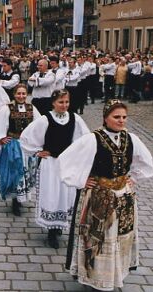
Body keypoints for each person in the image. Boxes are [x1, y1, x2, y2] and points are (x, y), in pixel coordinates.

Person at [60, 99, 153, 291]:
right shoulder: (93, 138)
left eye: (124, 117)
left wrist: (133, 178)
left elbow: (145, 161)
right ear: (106, 118)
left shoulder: (131, 138)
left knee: (120, 236)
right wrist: (81, 180)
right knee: (99, 239)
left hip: (123, 197)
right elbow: (67, 160)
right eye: (116, 117)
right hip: (100, 197)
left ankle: (115, 274)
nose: (121, 121)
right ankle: (96, 278)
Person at [20, 89, 89, 249]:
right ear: (53, 103)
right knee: (51, 194)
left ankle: (59, 225)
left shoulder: (75, 119)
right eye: (60, 102)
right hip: (51, 163)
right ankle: (51, 230)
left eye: (66, 102)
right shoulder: (45, 120)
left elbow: (85, 139)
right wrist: (37, 151)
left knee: (66, 193)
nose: (64, 105)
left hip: (67, 163)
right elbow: (26, 137)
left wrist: (78, 156)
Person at [0, 84, 40, 216]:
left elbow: (39, 125)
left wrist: (37, 142)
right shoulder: (8, 109)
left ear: (27, 94)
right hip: (14, 145)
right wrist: (0, 137)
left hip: (27, 145)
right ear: (14, 94)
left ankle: (21, 198)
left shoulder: (31, 108)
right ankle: (15, 201)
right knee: (15, 172)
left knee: (26, 171)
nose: (21, 96)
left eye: (24, 94)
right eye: (19, 93)